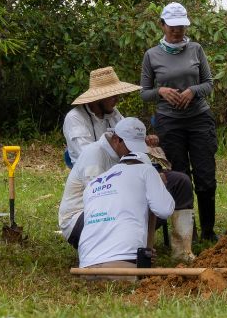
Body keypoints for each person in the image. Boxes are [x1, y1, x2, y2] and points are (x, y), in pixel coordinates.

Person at [60, 70, 197, 262]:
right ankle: (130, 248)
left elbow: (134, 150)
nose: (117, 99)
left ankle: (182, 251)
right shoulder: (87, 142)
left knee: (179, 181)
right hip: (87, 213)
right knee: (129, 201)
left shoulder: (114, 115)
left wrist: (151, 172)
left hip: (120, 189)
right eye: (112, 95)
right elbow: (99, 196)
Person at [140, 2, 219, 241]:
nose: (177, 31)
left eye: (181, 26)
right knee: (180, 176)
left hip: (199, 119)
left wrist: (193, 91)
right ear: (162, 25)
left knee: (205, 176)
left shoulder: (196, 49)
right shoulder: (152, 55)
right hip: (169, 122)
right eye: (172, 26)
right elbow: (144, 92)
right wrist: (161, 91)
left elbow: (209, 84)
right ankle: (187, 235)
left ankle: (208, 231)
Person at [75, 118, 175, 278]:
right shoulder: (147, 171)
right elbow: (165, 210)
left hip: (86, 267)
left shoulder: (94, 183)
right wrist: (159, 185)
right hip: (121, 266)